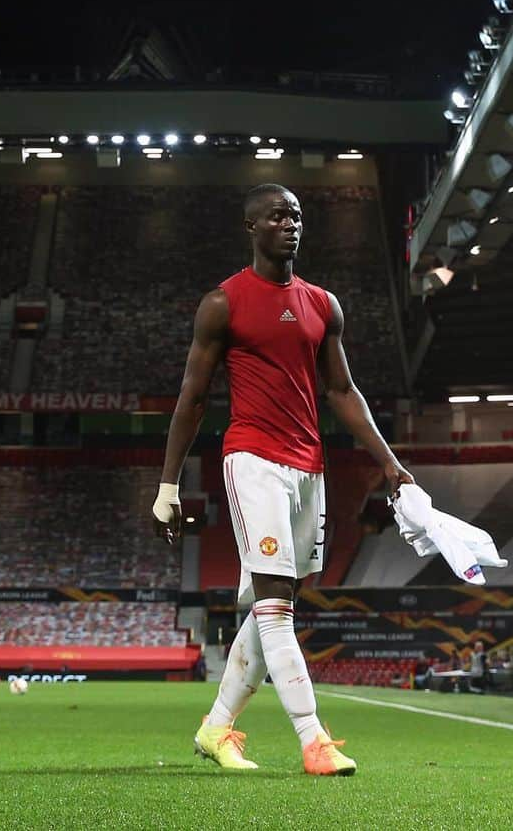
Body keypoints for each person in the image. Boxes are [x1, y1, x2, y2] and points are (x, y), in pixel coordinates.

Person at [152, 183, 413, 775]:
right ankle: (312, 739)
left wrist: (390, 464)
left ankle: (216, 728)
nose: (290, 224)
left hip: (309, 465)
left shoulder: (323, 304)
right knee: (274, 605)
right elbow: (192, 399)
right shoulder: (223, 303)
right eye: (277, 216)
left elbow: (343, 392)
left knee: (275, 606)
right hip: (253, 460)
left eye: (296, 215)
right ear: (251, 226)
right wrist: (168, 487)